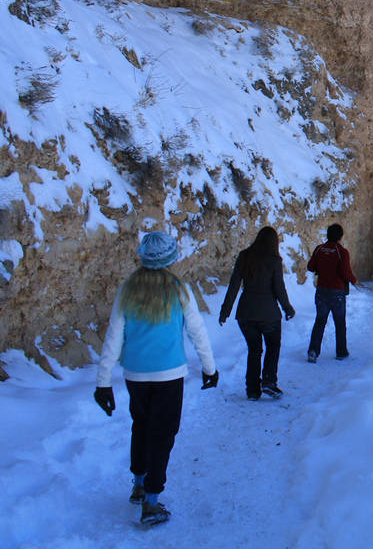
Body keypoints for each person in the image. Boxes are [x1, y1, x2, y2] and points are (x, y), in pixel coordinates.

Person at [94, 231, 218, 527]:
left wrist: (103, 383)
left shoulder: (127, 290)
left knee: (141, 425)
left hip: (135, 374)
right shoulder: (179, 290)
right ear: (171, 258)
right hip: (169, 375)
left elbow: (114, 337)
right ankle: (151, 502)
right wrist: (209, 368)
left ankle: (138, 482)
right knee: (163, 435)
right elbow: (197, 332)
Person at [219, 226, 296, 400]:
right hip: (269, 314)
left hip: (245, 313)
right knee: (273, 346)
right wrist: (287, 308)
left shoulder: (244, 256)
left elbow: (234, 285)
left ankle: (252, 389)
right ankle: (269, 381)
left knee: (254, 350)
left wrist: (225, 311)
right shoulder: (275, 260)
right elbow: (279, 288)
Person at [306, 223, 357, 362]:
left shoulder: (319, 249)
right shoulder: (342, 252)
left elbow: (310, 267)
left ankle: (313, 351)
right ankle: (341, 351)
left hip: (322, 290)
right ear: (340, 236)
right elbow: (345, 272)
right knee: (340, 322)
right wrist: (354, 280)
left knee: (320, 321)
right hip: (337, 292)